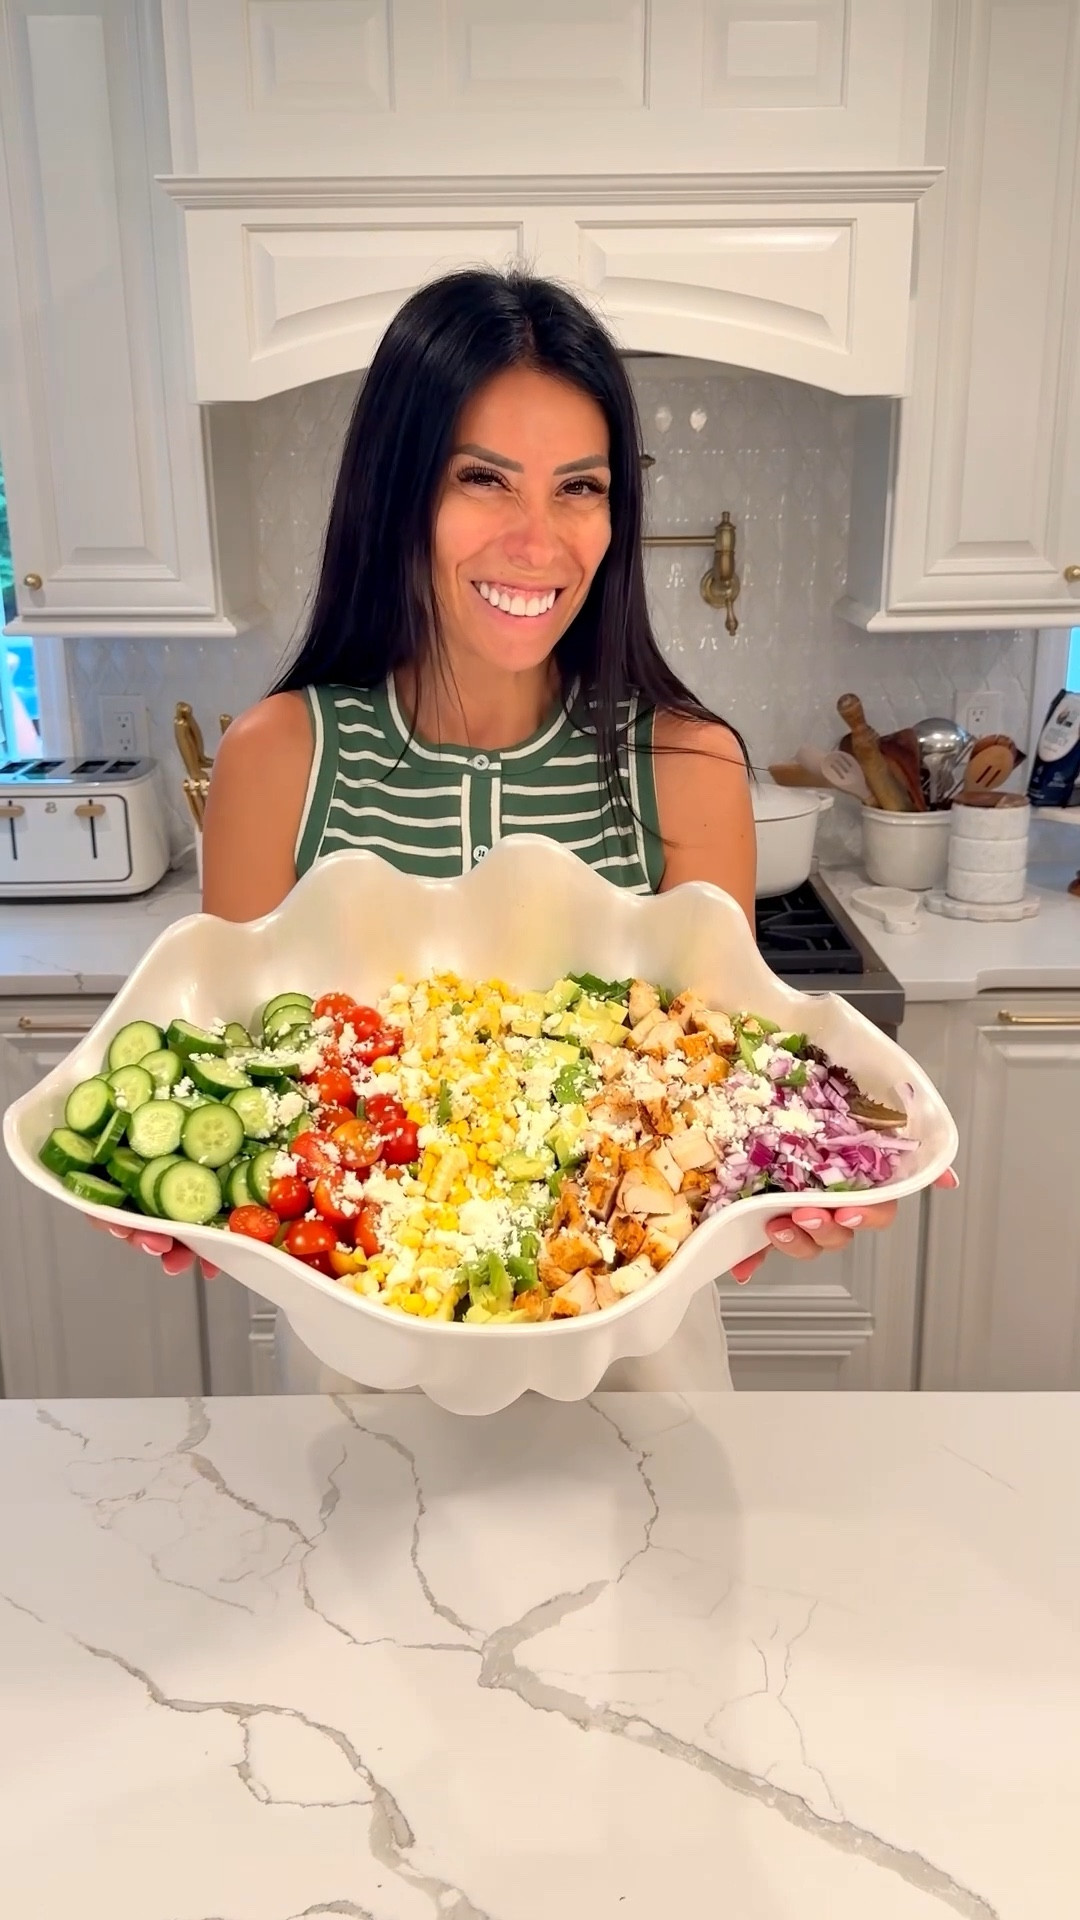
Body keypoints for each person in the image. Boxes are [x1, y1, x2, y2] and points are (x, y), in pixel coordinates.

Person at [103, 268, 952, 1386]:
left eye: (580, 487)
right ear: (397, 493)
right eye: (482, 479)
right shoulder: (277, 760)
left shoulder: (691, 766)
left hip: (635, 1365)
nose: (538, 539)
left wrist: (789, 1181)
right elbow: (240, 1086)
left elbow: (716, 1085)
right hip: (358, 1361)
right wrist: (187, 1196)